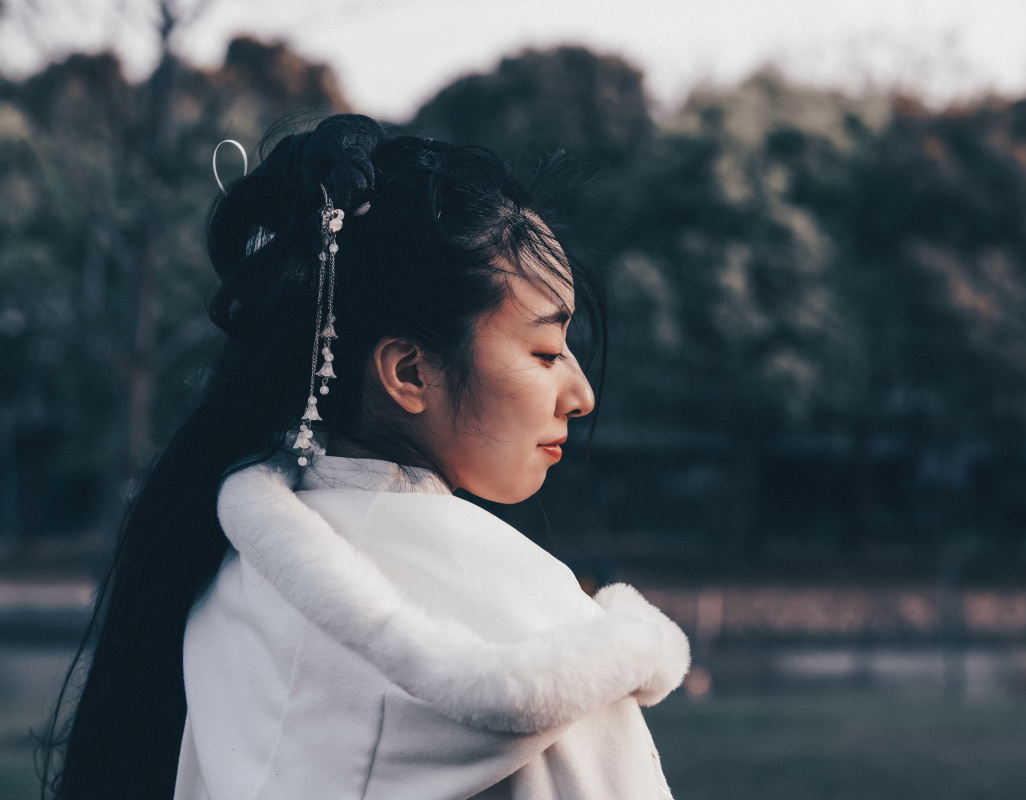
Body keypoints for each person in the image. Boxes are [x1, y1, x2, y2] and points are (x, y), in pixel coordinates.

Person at [42, 114, 689, 800]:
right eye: (547, 352)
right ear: (409, 372)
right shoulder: (538, 621)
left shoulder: (224, 592)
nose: (582, 396)